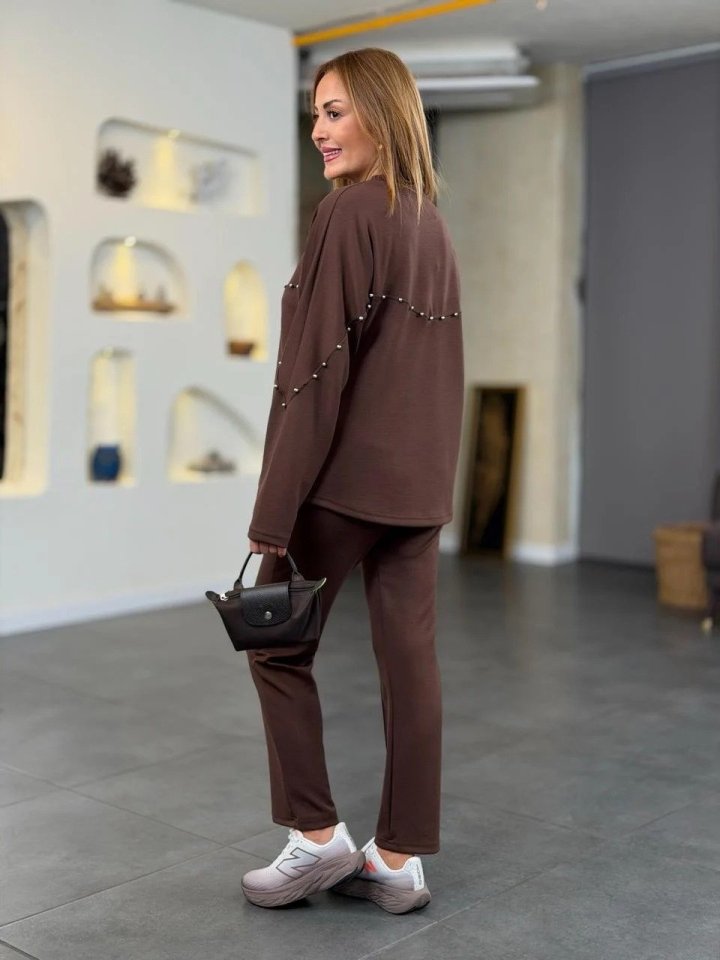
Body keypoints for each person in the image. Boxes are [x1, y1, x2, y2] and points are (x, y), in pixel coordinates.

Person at [240, 47, 464, 915]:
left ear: (380, 112)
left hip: (341, 483)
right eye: (316, 114)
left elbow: (314, 370)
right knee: (411, 665)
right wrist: (433, 486)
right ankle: (399, 859)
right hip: (417, 485)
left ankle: (317, 838)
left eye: (334, 112)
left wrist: (274, 508)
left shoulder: (348, 212)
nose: (319, 131)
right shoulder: (429, 222)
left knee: (274, 644)